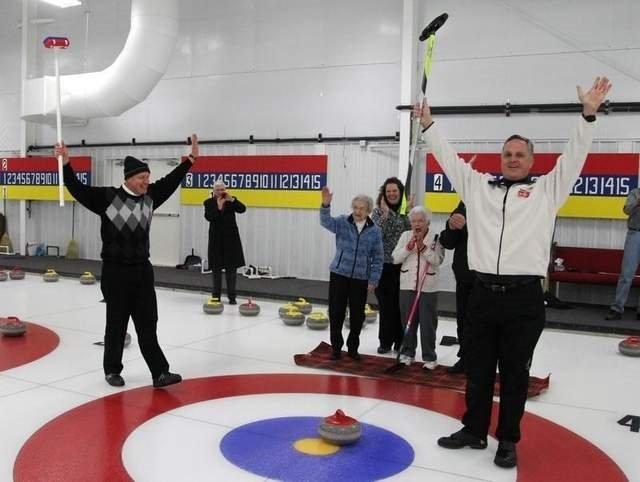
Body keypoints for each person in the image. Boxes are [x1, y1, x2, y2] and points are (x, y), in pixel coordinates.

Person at [416, 76, 612, 469]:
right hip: (482, 295)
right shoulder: (479, 188)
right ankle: (473, 429)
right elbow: (450, 160)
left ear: (532, 160)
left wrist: (588, 116)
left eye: (520, 154)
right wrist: (428, 126)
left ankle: (507, 440)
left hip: (524, 299)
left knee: (515, 375)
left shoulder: (547, 191)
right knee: (478, 370)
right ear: (500, 157)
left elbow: (575, 156)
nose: (513, 158)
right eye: (508, 153)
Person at [56, 135, 200, 388]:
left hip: (142, 271)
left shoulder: (151, 196)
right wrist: (66, 163)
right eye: (142, 178)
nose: (147, 181)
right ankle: (112, 370)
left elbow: (172, 180)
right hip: (115, 271)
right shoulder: (107, 198)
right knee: (116, 323)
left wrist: (189, 161)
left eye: (148, 177)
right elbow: (77, 189)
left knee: (148, 323)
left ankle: (160, 373)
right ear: (128, 179)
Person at [320, 186, 384, 360]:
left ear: (369, 210)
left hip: (361, 279)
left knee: (357, 315)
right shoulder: (342, 222)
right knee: (336, 312)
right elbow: (326, 222)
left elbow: (378, 258)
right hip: (339, 274)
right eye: (355, 207)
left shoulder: (375, 231)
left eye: (362, 208)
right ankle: (336, 348)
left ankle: (353, 348)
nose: (357, 211)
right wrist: (325, 205)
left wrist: (374, 280)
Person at [392, 206, 444, 369]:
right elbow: (395, 258)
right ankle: (408, 353)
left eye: (420, 220)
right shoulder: (405, 235)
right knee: (407, 321)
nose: (417, 224)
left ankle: (430, 357)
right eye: (414, 221)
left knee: (428, 323)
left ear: (427, 222)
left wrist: (423, 247)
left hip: (428, 287)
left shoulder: (436, 237)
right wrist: (409, 247)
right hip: (407, 284)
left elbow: (437, 260)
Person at [370, 177, 411, 354]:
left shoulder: (406, 212)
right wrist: (387, 215)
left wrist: (407, 213)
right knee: (386, 306)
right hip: (383, 266)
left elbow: (409, 232)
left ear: (400, 193)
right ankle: (385, 342)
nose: (392, 194)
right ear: (384, 194)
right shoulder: (378, 212)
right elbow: (377, 235)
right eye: (388, 192)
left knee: (400, 306)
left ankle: (400, 341)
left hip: (403, 266)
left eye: (395, 191)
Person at [439, 201, 473, 374]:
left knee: (482, 322)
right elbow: (448, 243)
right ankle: (465, 358)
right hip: (464, 276)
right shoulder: (461, 207)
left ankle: (481, 360)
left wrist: (466, 227)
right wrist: (451, 227)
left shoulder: (494, 204)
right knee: (462, 319)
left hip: (487, 278)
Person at [203, 180, 246, 304]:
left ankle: (232, 297)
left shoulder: (231, 200)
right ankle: (216, 296)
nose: (221, 192)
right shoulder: (208, 202)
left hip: (231, 240)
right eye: (218, 190)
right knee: (216, 270)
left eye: (223, 189)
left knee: (231, 270)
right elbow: (209, 217)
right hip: (216, 240)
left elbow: (242, 209)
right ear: (213, 191)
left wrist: (232, 200)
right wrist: (219, 206)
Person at [606, 187, 640, 320]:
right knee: (626, 274)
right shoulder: (634, 193)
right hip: (635, 234)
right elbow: (626, 210)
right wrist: (637, 202)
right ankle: (617, 309)